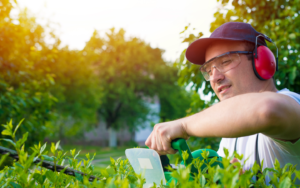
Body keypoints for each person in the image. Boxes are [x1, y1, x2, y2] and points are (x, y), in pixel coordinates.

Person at [145, 22, 300, 183]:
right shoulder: (231, 135)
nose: (214, 77)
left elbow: (267, 109)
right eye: (209, 70)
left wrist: (183, 126)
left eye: (225, 62)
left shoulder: (293, 104)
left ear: (262, 61)